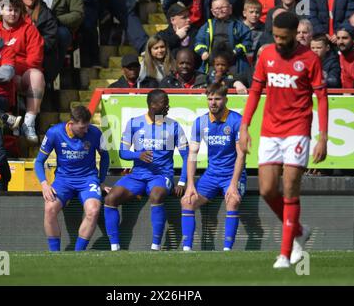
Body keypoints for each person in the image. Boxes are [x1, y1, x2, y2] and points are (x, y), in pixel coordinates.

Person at [239, 11, 328, 268]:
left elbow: (321, 98)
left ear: (293, 35)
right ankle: (299, 229)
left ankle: (285, 254)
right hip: (270, 129)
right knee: (267, 190)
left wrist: (322, 137)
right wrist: (245, 127)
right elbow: (255, 91)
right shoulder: (266, 54)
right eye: (275, 36)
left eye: (283, 37)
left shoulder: (309, 59)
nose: (278, 41)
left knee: (290, 186)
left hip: (298, 129)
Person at [104, 89, 188, 251]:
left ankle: (155, 246)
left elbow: (187, 156)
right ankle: (114, 247)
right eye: (164, 103)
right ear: (152, 105)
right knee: (110, 199)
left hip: (161, 176)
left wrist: (183, 181)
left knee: (156, 195)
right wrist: (138, 155)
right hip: (137, 176)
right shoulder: (134, 123)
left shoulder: (173, 126)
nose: (168, 107)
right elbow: (122, 152)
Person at [181, 82, 247, 251]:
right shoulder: (200, 122)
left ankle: (227, 250)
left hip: (233, 174)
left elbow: (241, 154)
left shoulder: (236, 120)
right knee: (187, 201)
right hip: (211, 175)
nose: (213, 102)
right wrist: (190, 185)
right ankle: (186, 249)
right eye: (210, 99)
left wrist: (233, 184)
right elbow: (192, 154)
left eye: (217, 98)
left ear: (226, 99)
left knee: (232, 200)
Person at [34, 105, 110, 252]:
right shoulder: (54, 132)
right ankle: (54, 253)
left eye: (87, 126)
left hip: (88, 179)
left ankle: (77, 253)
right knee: (49, 208)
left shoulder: (95, 133)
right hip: (63, 180)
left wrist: (100, 181)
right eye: (82, 127)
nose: (86, 130)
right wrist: (44, 184)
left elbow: (105, 157)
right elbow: (38, 161)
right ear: (71, 123)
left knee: (93, 210)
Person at [0, 0, 45, 143]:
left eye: (16, 10)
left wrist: (16, 70)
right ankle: (8, 122)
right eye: (9, 9)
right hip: (0, 76)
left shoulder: (28, 29)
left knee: (37, 75)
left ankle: (29, 122)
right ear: (1, 10)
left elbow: (35, 58)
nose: (13, 13)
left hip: (23, 75)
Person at [194, 0, 252, 74]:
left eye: (223, 7)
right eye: (217, 8)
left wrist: (236, 51)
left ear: (230, 8)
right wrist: (203, 52)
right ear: (212, 11)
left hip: (234, 64)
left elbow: (247, 41)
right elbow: (198, 41)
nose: (220, 10)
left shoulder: (238, 26)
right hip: (212, 64)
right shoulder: (207, 26)